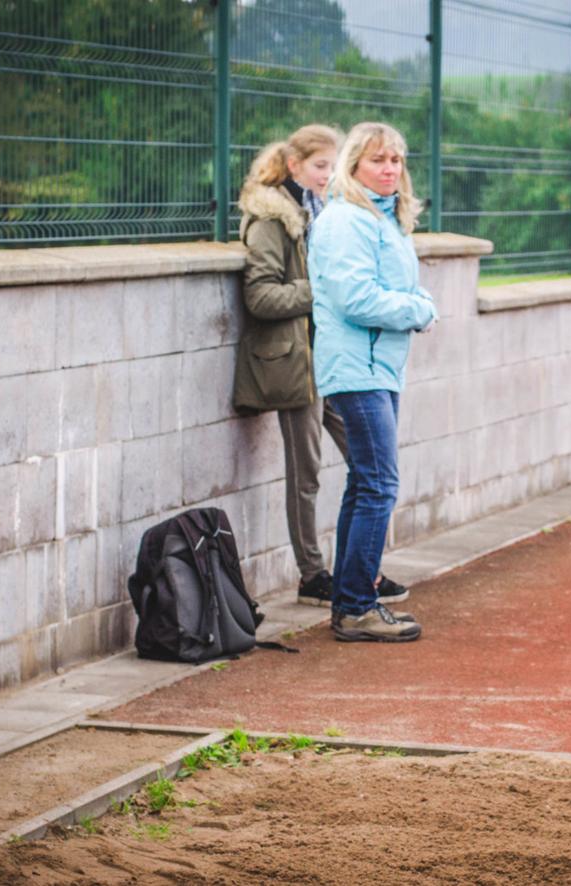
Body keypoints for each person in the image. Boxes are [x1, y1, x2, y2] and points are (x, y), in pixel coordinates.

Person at [233, 124, 411, 609]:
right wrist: (325, 293)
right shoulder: (273, 219)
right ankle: (315, 574)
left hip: (331, 355)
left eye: (333, 166)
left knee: (368, 468)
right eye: (320, 166)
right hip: (295, 362)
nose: (327, 175)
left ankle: (359, 574)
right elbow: (261, 295)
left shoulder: (330, 212)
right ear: (294, 166)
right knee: (309, 472)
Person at [309, 122, 437, 642]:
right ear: (354, 166)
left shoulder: (386, 221)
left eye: (396, 160)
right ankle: (358, 605)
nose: (389, 169)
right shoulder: (345, 221)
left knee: (365, 483)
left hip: (379, 367)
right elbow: (355, 298)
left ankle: (350, 600)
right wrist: (419, 309)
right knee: (381, 484)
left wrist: (414, 306)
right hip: (354, 368)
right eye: (377, 160)